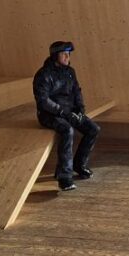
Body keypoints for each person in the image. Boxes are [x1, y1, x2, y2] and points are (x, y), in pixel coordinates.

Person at [34, 41, 101, 191]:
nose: (67, 56)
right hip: (49, 114)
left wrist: (80, 110)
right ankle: (64, 177)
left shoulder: (70, 71)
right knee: (67, 130)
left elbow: (77, 91)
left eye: (68, 54)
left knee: (93, 129)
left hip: (69, 111)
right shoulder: (43, 74)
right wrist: (64, 113)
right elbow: (43, 101)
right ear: (54, 55)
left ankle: (79, 164)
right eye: (64, 54)